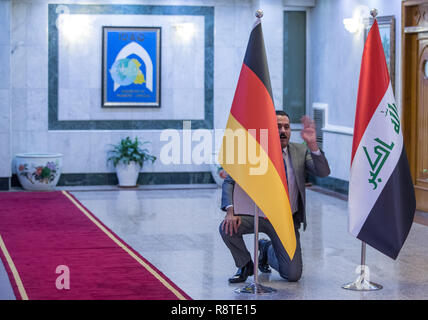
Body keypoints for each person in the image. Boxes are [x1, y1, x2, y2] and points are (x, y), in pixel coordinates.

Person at [219, 110, 330, 283]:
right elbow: (230, 181)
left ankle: (266, 249)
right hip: (257, 215)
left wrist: (313, 145)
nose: (283, 131)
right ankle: (245, 264)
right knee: (227, 228)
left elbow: (323, 172)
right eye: (278, 127)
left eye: (286, 127)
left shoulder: (300, 151)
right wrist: (230, 211)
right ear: (269, 129)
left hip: (285, 220)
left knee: (292, 275)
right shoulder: (254, 152)